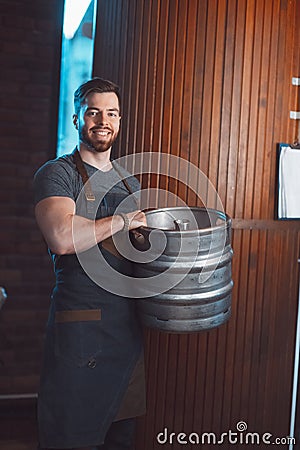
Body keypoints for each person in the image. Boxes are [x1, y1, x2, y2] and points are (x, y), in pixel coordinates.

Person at [33, 77, 147, 450]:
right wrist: (122, 222)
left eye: (111, 113)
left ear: (119, 120)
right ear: (76, 118)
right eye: (93, 111)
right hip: (81, 334)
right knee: (70, 439)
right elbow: (63, 238)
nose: (103, 120)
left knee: (121, 440)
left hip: (126, 336)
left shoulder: (129, 183)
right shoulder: (58, 173)